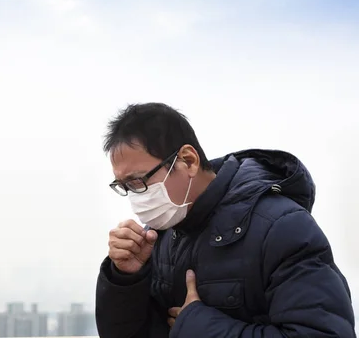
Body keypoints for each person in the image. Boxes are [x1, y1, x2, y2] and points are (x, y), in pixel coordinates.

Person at [95, 103, 356, 337]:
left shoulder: (280, 227)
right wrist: (126, 278)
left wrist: (198, 327)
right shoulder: (159, 235)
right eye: (125, 187)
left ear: (188, 161)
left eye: (139, 181)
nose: (135, 197)